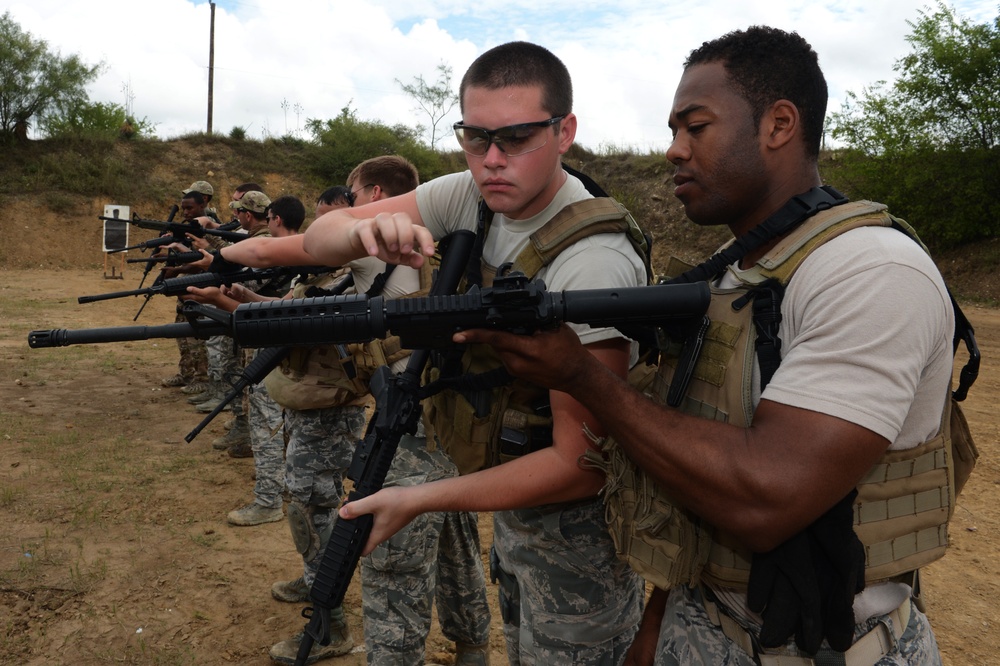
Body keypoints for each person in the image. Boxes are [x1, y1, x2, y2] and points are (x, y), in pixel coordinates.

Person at [452, 26, 957, 666]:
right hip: (704, 626)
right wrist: (658, 623)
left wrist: (581, 375)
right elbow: (693, 464)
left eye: (696, 127)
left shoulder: (869, 272)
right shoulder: (739, 273)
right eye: (672, 130)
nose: (673, 150)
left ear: (778, 124)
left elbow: (763, 496)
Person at [219, 42, 648, 665]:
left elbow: (581, 461)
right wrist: (364, 229)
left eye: (517, 137)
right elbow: (319, 238)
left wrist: (420, 498)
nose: (493, 160)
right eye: (475, 139)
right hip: (514, 513)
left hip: (581, 539)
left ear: (565, 133)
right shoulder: (474, 195)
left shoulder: (592, 259)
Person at [160, 184, 214, 390]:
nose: (185, 212)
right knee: (181, 331)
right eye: (184, 208)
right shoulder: (189, 225)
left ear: (205, 201)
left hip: (199, 286)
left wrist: (179, 268)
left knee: (196, 334)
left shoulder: (211, 227)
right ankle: (187, 372)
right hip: (186, 285)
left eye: (190, 208)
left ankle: (201, 378)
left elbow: (205, 259)